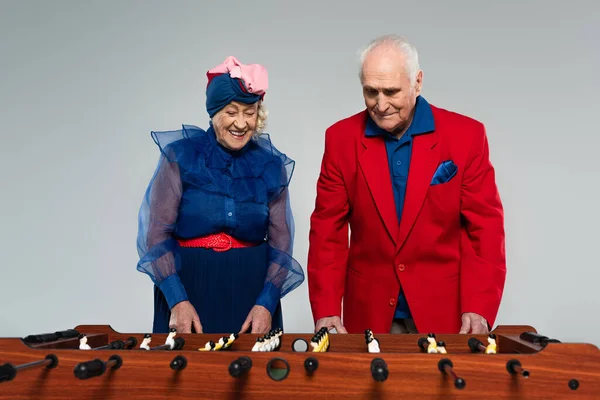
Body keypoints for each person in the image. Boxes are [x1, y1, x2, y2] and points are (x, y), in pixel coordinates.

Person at [307, 35, 506, 335]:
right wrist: (326, 310)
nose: (381, 104)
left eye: (391, 91)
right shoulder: (340, 139)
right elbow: (327, 232)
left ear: (418, 82)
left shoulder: (467, 136)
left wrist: (479, 305)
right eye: (371, 92)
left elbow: (485, 229)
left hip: (444, 312)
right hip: (368, 313)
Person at [136, 56, 304, 335]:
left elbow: (281, 244)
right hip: (188, 291)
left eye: (249, 113)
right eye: (231, 111)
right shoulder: (181, 156)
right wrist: (177, 299)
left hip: (251, 297)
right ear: (214, 113)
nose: (240, 123)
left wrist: (266, 303)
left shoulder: (270, 167)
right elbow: (156, 235)